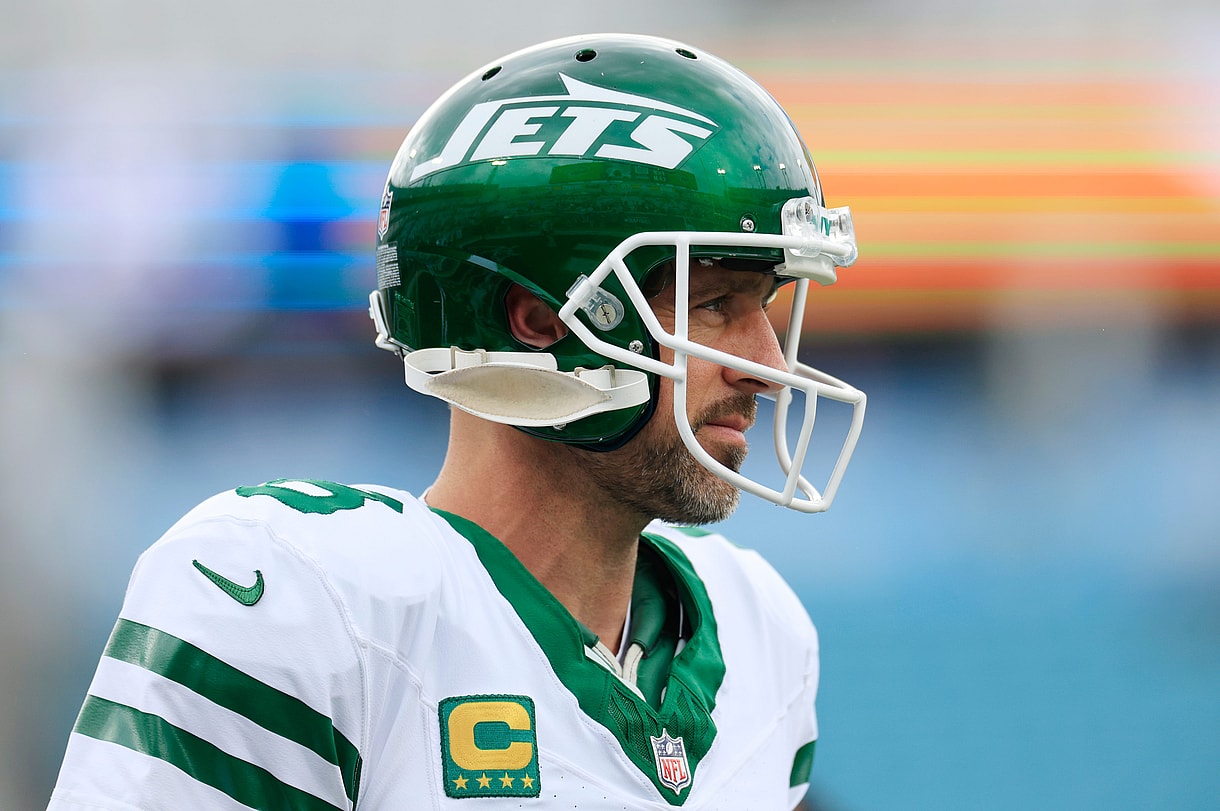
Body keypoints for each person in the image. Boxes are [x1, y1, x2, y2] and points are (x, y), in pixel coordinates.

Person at [48, 33, 865, 810]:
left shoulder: (762, 631)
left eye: (767, 309)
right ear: (541, 318)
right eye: (716, 305)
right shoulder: (301, 602)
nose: (770, 365)